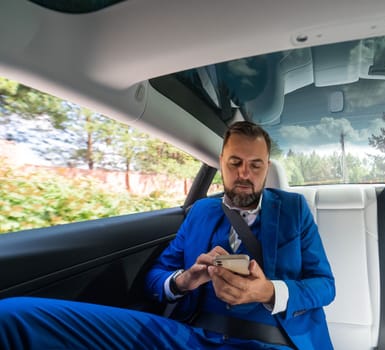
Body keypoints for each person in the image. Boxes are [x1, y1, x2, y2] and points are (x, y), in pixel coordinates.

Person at [0, 121, 335, 349]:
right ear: (220, 162)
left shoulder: (294, 209)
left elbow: (325, 285)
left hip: (271, 339)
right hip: (187, 335)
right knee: (13, 316)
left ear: (266, 166)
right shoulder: (201, 212)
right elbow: (154, 278)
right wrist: (185, 280)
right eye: (235, 162)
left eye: (255, 165)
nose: (244, 173)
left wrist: (268, 291)